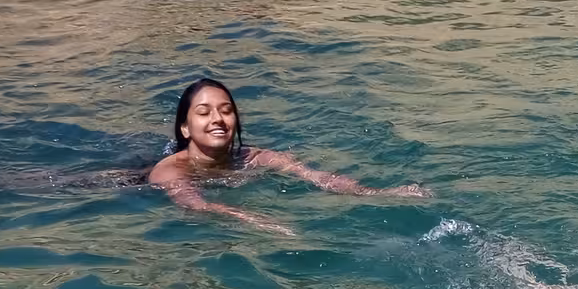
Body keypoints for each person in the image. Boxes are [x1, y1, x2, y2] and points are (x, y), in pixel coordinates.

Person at [148, 78, 427, 234]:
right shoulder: (170, 172)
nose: (218, 119)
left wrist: (377, 193)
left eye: (226, 110)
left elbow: (315, 176)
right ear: (185, 128)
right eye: (204, 112)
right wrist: (258, 221)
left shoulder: (252, 158)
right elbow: (198, 207)